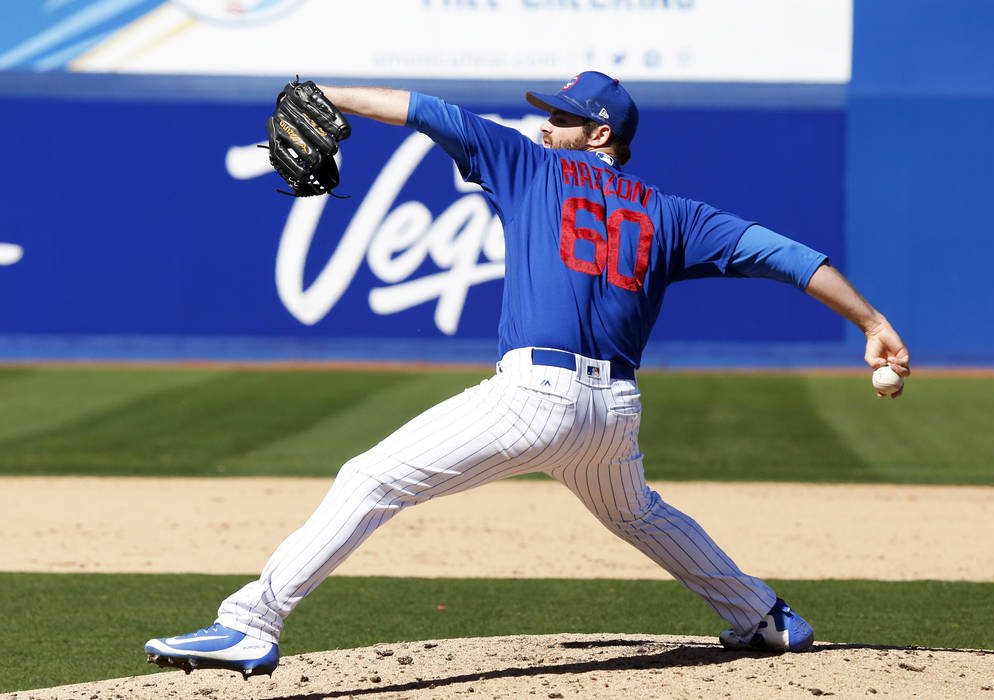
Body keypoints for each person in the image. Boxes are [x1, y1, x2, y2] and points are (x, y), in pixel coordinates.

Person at [144, 71, 910, 677]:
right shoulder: (676, 215)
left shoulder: (532, 165)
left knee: (370, 479)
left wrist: (320, 91)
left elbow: (423, 110)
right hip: (613, 412)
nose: (548, 124)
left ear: (597, 134)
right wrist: (873, 325)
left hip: (533, 396)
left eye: (564, 117)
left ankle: (249, 625)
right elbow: (792, 258)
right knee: (636, 513)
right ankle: (763, 617)